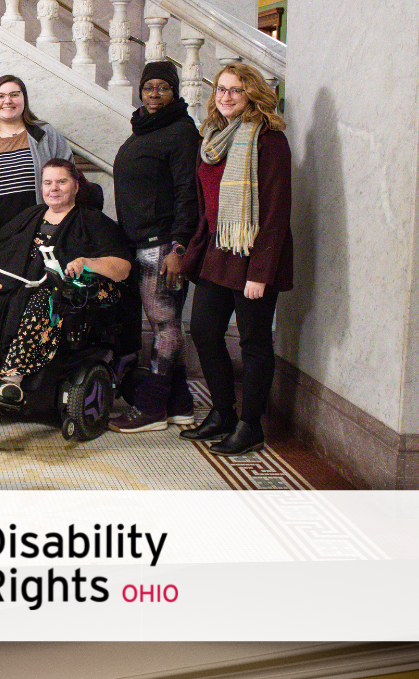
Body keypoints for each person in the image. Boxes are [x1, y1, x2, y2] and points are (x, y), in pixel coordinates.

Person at [0, 158, 130, 405]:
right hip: (22, 282)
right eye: (48, 182)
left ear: (76, 186)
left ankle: (12, 380)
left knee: (44, 295)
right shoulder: (30, 216)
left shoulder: (92, 221)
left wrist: (86, 262)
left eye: (61, 181)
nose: (53, 188)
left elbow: (123, 268)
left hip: (69, 289)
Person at [180, 63, 293, 456]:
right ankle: (224, 413)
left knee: (254, 342)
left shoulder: (269, 139)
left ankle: (250, 425)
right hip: (217, 251)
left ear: (253, 95)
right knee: (205, 332)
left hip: (254, 253)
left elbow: (277, 212)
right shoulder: (210, 138)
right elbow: (204, 205)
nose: (225, 97)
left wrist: (260, 273)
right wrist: (195, 248)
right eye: (221, 89)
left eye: (236, 90)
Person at [109, 61, 201, 433]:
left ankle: (150, 409)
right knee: (160, 322)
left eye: (163, 87)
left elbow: (187, 194)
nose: (155, 94)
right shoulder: (146, 128)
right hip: (142, 240)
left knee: (164, 325)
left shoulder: (181, 131)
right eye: (149, 87)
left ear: (175, 92)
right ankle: (180, 405)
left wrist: (179, 248)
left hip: (163, 244)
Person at [0, 75, 73, 248]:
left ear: (24, 99)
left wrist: (57, 233)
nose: (7, 101)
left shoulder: (47, 136)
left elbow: (69, 184)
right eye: (0, 96)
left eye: (14, 94)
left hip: (45, 240)